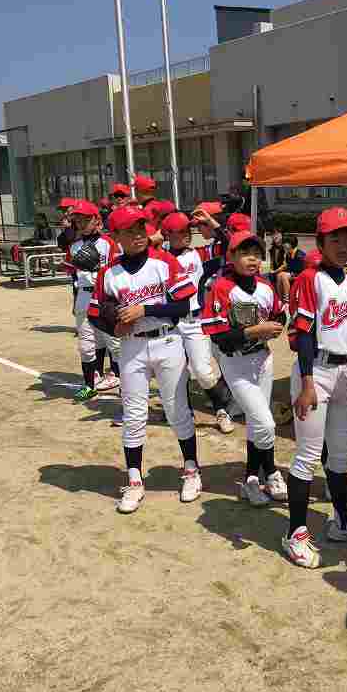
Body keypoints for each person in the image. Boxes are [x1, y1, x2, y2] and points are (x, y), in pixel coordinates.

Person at [283, 207, 347, 568]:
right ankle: (295, 534)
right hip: (316, 371)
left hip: (343, 372)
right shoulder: (309, 279)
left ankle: (342, 523)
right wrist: (307, 384)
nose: (343, 245)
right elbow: (304, 335)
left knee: (341, 454)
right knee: (308, 455)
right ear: (321, 242)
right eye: (335, 238)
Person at [88, 205, 200, 514]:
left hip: (167, 341)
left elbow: (183, 305)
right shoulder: (109, 273)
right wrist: (114, 326)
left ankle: (191, 470)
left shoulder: (163, 261)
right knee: (134, 415)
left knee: (177, 410)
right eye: (130, 230)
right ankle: (135, 481)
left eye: (141, 228)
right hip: (132, 346)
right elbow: (95, 312)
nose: (138, 234)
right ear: (116, 236)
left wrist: (145, 310)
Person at [202, 230, 290, 506]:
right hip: (236, 363)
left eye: (256, 254)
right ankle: (272, 470)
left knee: (256, 423)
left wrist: (275, 325)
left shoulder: (265, 285)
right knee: (265, 422)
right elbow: (219, 337)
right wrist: (255, 330)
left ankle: (253, 478)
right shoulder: (221, 287)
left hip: (262, 360)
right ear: (231, 256)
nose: (252, 259)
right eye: (245, 253)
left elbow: (278, 315)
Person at [161, 211, 236, 434]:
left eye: (188, 230)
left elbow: (231, 246)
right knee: (176, 372)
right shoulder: (158, 258)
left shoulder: (200, 254)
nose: (186, 234)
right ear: (167, 234)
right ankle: (183, 411)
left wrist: (213, 224)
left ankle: (221, 410)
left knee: (203, 372)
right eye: (179, 231)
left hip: (195, 321)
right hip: (169, 323)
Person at [66, 200, 121, 401]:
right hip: (83, 295)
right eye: (78, 220)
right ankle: (89, 385)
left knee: (114, 343)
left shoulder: (108, 243)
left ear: (96, 220)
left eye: (85, 219)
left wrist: (98, 271)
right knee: (86, 344)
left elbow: (118, 271)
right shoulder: (74, 246)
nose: (81, 223)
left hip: (104, 296)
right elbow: (73, 275)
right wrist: (76, 301)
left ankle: (123, 381)